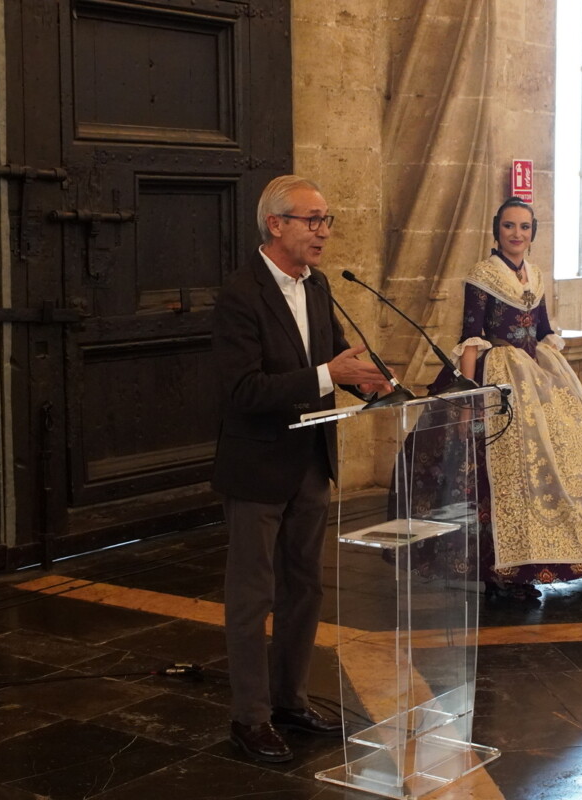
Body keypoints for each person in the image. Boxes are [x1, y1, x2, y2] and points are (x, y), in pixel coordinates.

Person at [211, 175, 391, 763]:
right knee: (252, 597)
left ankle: (289, 699)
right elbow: (242, 390)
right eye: (312, 219)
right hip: (258, 468)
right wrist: (327, 377)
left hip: (312, 462)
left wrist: (376, 383)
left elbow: (339, 357)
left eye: (327, 219)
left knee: (304, 590)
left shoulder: (317, 289)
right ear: (276, 224)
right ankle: (250, 718)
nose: (323, 231)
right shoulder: (239, 294)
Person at [403, 197, 582, 601]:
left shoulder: (537, 275)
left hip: (536, 371)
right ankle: (498, 570)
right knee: (504, 470)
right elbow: (470, 335)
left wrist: (558, 377)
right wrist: (467, 396)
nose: (517, 234)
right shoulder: (482, 274)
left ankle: (534, 561)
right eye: (509, 226)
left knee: (564, 449)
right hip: (498, 376)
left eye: (524, 227)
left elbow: (543, 328)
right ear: (496, 230)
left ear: (533, 232)